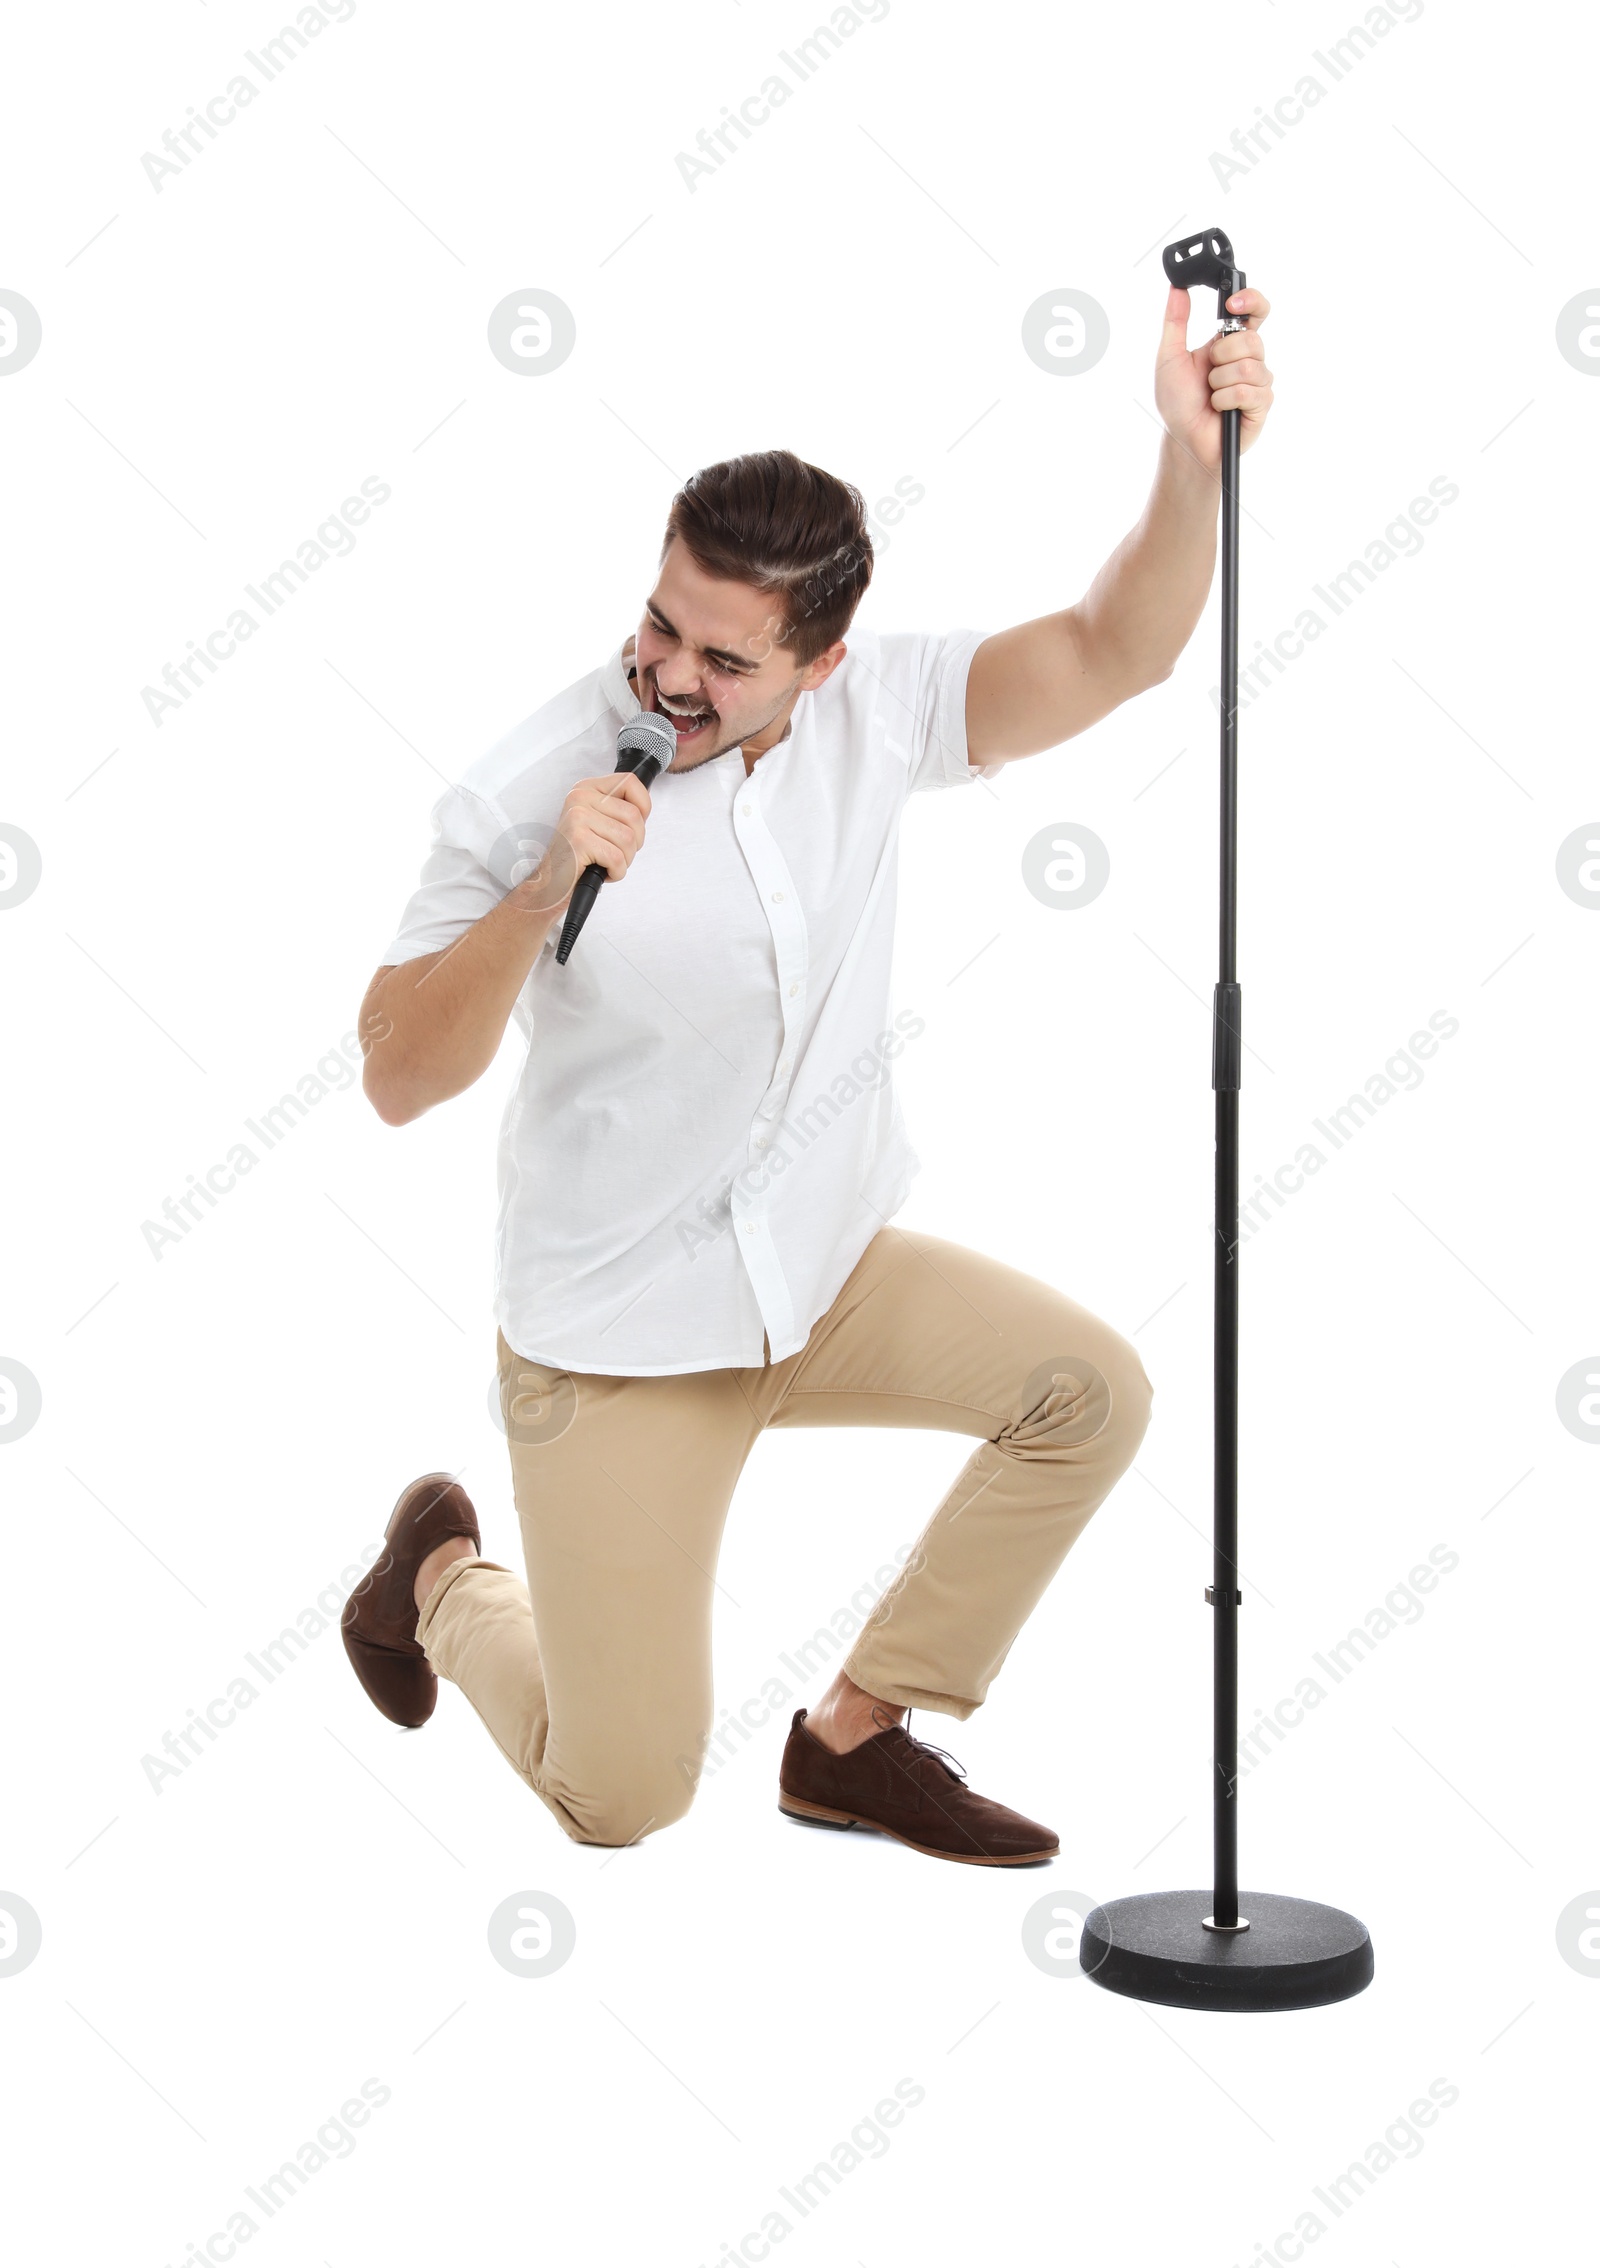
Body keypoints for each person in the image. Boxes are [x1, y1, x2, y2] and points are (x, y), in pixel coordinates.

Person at [341, 278, 1274, 1864]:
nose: (673, 681)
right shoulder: (526, 787)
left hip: (819, 1270)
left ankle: (854, 1736)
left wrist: (1193, 466)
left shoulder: (886, 712)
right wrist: (544, 887)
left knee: (1088, 1394)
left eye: (729, 658)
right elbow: (395, 1076)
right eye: (660, 627)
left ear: (825, 663)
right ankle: (438, 1584)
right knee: (618, 1795)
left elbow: (1118, 648)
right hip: (615, 1343)